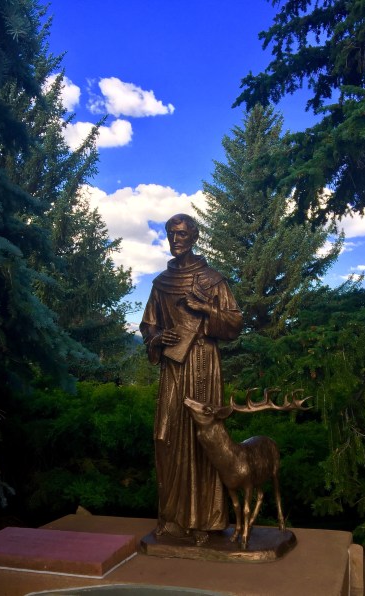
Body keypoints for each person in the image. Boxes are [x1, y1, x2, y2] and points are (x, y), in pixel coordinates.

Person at [140, 213, 243, 545]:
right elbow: (148, 325)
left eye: (182, 234)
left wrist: (206, 308)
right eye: (171, 233)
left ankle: (204, 522)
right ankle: (172, 519)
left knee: (204, 439)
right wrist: (157, 338)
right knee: (166, 436)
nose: (176, 239)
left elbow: (234, 323)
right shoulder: (161, 283)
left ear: (195, 237)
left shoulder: (213, 280)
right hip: (173, 367)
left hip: (202, 363)